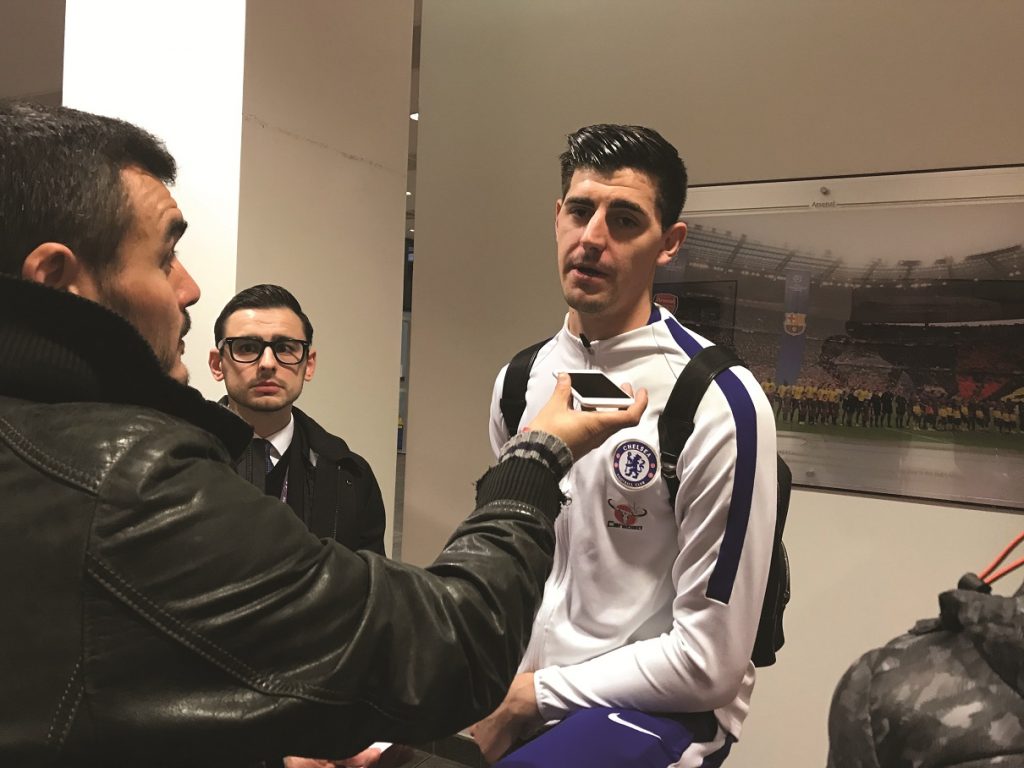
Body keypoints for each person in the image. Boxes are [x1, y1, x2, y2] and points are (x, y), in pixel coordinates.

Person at [0, 101, 649, 765]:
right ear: (58, 280)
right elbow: (440, 648)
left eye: (285, 349)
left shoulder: (345, 474)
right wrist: (534, 458)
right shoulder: (139, 482)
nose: (189, 288)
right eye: (166, 256)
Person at [472, 125, 777, 767]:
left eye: (625, 219)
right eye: (580, 211)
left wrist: (529, 697)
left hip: (663, 706)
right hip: (522, 685)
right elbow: (510, 564)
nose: (592, 237)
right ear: (558, 216)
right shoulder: (519, 382)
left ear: (669, 243)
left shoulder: (717, 399)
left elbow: (710, 662)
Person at [210, 284, 386, 554]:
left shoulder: (350, 476)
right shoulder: (175, 461)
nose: (267, 363)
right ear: (217, 364)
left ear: (309, 364)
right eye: (247, 347)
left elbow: (367, 576)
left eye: (285, 348)